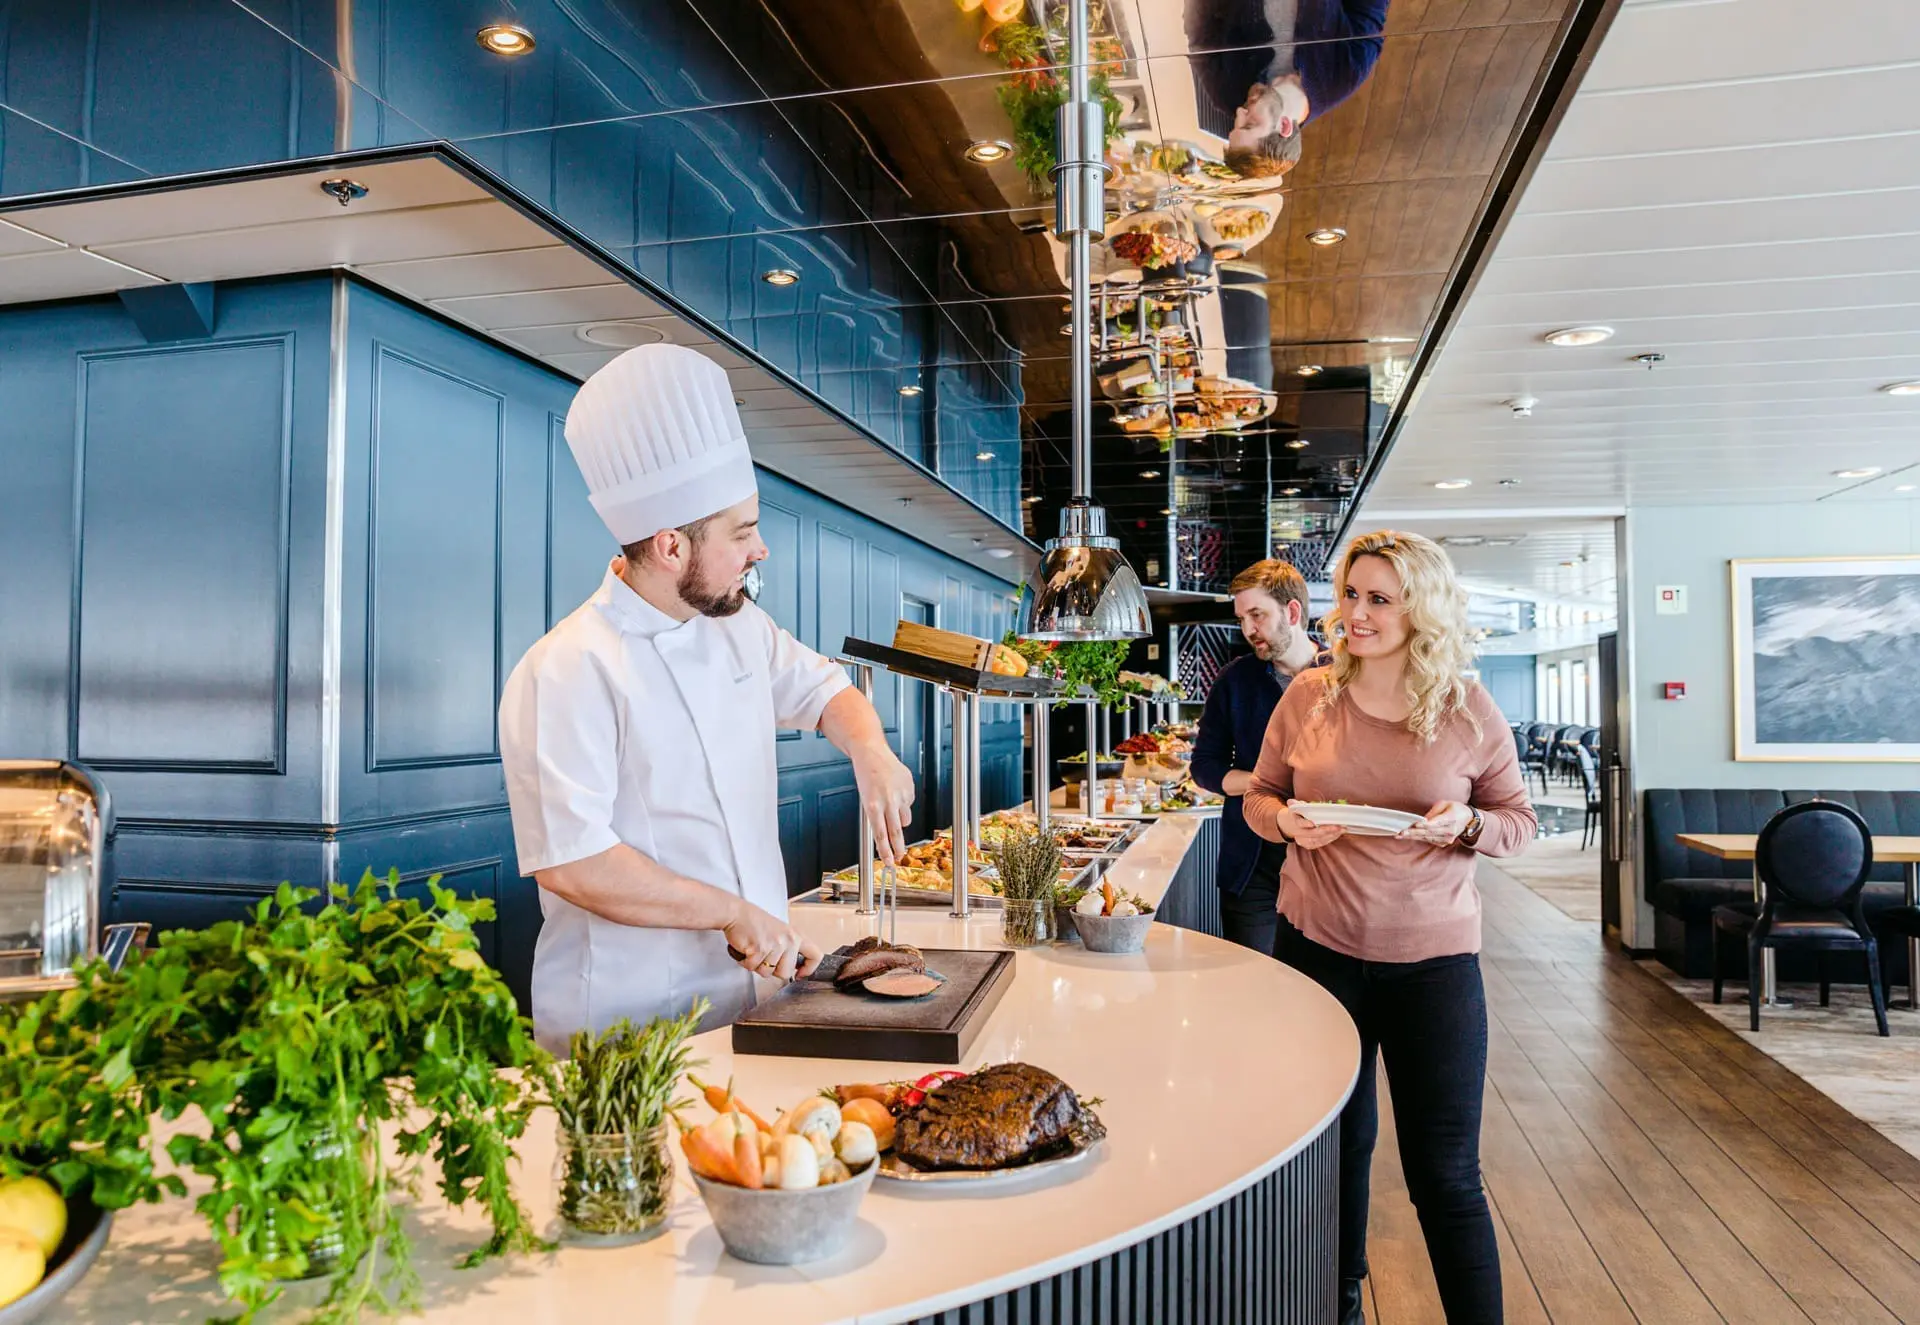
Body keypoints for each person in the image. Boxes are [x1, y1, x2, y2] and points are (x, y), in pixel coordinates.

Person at [499, 344, 916, 1052]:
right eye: (742, 533)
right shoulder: (567, 667)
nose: (761, 549)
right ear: (671, 547)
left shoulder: (739, 627)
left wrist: (871, 751)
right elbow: (574, 861)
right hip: (626, 1022)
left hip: (754, 991)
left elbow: (827, 691)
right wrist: (728, 912)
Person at [1243, 530, 1535, 1325]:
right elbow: (1260, 796)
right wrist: (1288, 823)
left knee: (1446, 1174)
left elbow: (1517, 821)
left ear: (1422, 609)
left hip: (1434, 964)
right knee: (1335, 1154)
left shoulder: (1467, 708)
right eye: (1350, 595)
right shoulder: (1309, 695)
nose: (1357, 614)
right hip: (1316, 951)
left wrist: (1467, 823)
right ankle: (1340, 1306)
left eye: (1379, 599)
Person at [1189, 558, 1323, 954]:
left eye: (1257, 615)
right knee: (1253, 978)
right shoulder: (1235, 679)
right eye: (1242, 619)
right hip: (1252, 864)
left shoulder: (1345, 674)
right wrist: (1266, 784)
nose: (1248, 629)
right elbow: (1205, 767)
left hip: (1328, 861)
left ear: (1292, 612)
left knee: (1319, 981)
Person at [1187, 0, 1393, 178]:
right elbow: (1370, 8)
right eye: (1249, 125)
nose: (1240, 112)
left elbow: (1199, 34)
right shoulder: (1345, 74)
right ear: (1285, 126)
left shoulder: (1225, 93)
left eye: (1236, 125)